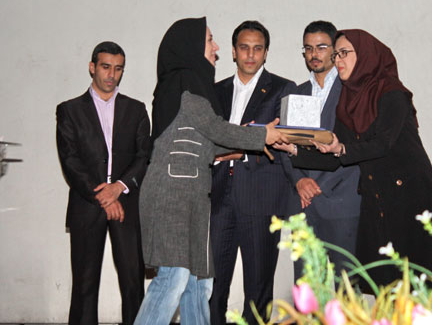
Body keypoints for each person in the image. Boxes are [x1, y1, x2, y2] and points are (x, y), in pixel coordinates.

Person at [135, 17, 288, 325]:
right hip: (173, 196)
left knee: (199, 283)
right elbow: (215, 129)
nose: (215, 46)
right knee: (174, 279)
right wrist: (261, 136)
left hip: (193, 198)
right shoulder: (185, 83)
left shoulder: (191, 84)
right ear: (190, 46)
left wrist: (245, 141)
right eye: (209, 40)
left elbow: (206, 142)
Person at [285, 29, 432, 291]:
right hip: (377, 197)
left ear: (365, 55)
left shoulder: (392, 93)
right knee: (387, 283)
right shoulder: (350, 101)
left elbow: (382, 144)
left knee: (415, 280)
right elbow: (336, 156)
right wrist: (293, 150)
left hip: (408, 196)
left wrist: (341, 149)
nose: (338, 60)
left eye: (344, 53)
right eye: (336, 55)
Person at [56, 41, 150, 325]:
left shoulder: (136, 109)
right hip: (87, 206)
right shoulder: (70, 110)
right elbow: (70, 160)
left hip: (127, 205)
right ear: (92, 67)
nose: (112, 74)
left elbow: (144, 156)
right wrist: (103, 196)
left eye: (118, 68)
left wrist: (119, 187)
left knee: (133, 284)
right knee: (84, 286)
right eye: (106, 67)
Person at [210, 20, 296, 324]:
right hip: (219, 195)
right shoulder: (215, 91)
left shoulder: (283, 89)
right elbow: (208, 139)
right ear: (233, 52)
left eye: (257, 48)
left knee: (258, 285)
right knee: (212, 282)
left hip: (261, 198)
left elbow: (285, 143)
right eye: (244, 48)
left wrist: (241, 148)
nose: (250, 54)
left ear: (266, 53)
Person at [284, 20, 361, 281]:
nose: (314, 54)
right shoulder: (296, 93)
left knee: (346, 287)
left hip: (342, 201)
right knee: (306, 288)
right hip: (303, 203)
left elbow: (356, 146)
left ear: (335, 50)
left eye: (321, 47)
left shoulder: (352, 91)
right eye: (308, 48)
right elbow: (284, 146)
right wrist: (299, 181)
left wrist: (319, 185)